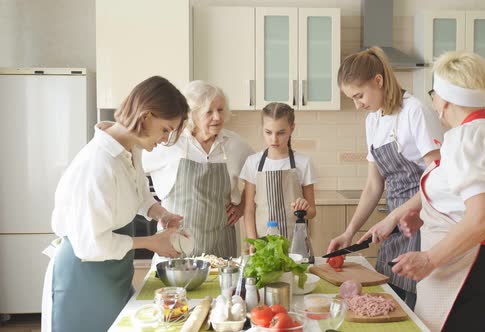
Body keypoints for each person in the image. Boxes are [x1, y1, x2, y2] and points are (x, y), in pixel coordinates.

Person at [360, 51, 485, 332]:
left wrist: (428, 259)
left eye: (433, 93)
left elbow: (483, 217)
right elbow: (463, 200)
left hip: (465, 267)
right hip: (471, 263)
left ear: (444, 99)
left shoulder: (466, 139)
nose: (432, 101)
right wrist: (424, 215)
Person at [41, 76, 189, 332]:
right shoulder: (98, 164)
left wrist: (160, 213)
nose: (166, 139)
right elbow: (90, 245)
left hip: (113, 269)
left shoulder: (131, 149)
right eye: (166, 129)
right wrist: (151, 243)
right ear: (146, 117)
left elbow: (140, 195)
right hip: (84, 274)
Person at [326, 46, 443, 309]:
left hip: (422, 223)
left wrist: (394, 218)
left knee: (416, 306)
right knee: (390, 301)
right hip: (395, 225)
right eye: (352, 99)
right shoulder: (373, 120)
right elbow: (373, 185)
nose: (357, 105)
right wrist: (350, 231)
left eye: (359, 95)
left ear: (378, 81)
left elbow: (437, 176)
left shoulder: (416, 111)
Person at [143, 80, 253, 258]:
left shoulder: (234, 144)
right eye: (209, 112)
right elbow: (132, 173)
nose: (217, 117)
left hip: (222, 247)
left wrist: (241, 207)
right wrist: (152, 208)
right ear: (192, 114)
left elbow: (258, 173)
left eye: (220, 110)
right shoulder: (170, 143)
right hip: (175, 247)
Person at [240, 102, 317, 242]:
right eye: (268, 132)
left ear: (292, 128)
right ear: (262, 129)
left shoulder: (303, 162)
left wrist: (305, 209)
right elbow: (249, 210)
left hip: (296, 242)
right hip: (263, 243)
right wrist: (253, 242)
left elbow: (312, 212)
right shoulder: (252, 162)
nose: (274, 139)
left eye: (281, 133)